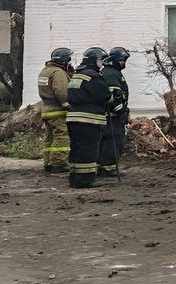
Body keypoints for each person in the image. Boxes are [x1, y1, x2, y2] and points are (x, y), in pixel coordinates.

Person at [66, 47, 111, 189]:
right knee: (88, 149)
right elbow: (104, 95)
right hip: (89, 120)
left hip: (73, 119)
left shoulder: (77, 75)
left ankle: (74, 177)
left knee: (76, 148)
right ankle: (85, 180)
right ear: (95, 60)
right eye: (101, 61)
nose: (102, 64)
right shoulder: (93, 76)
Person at [37, 47, 73, 173]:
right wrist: (68, 105)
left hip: (46, 109)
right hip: (57, 110)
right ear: (64, 60)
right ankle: (59, 163)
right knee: (62, 137)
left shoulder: (45, 71)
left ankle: (48, 163)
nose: (70, 61)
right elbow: (61, 91)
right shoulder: (58, 72)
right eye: (68, 59)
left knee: (49, 138)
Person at [98, 47, 130, 178]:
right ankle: (108, 169)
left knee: (106, 143)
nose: (123, 63)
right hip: (112, 117)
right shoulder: (111, 74)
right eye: (122, 60)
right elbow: (114, 96)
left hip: (108, 116)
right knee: (112, 143)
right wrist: (121, 111)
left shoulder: (110, 72)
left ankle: (102, 167)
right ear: (114, 61)